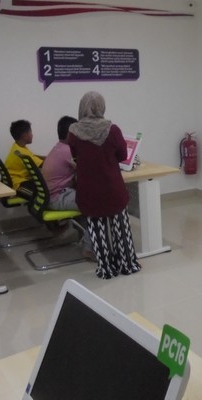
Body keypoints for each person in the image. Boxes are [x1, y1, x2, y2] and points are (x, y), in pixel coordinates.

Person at [68, 91, 140, 279]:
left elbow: (75, 156)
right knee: (121, 229)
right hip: (112, 188)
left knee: (97, 231)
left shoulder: (74, 131)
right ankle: (127, 264)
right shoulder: (112, 129)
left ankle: (106, 268)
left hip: (88, 190)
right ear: (102, 107)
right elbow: (122, 155)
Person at [41, 115, 95, 260]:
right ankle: (89, 249)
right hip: (58, 197)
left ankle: (87, 238)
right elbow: (87, 170)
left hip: (51, 196)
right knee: (95, 205)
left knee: (87, 199)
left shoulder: (58, 148)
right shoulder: (68, 151)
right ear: (71, 134)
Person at [4, 119, 43, 196]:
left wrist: (48, 157)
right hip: (18, 186)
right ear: (24, 135)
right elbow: (44, 165)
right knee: (47, 189)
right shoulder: (23, 152)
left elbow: (33, 156)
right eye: (30, 132)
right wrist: (54, 158)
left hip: (14, 181)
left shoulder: (17, 147)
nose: (32, 135)